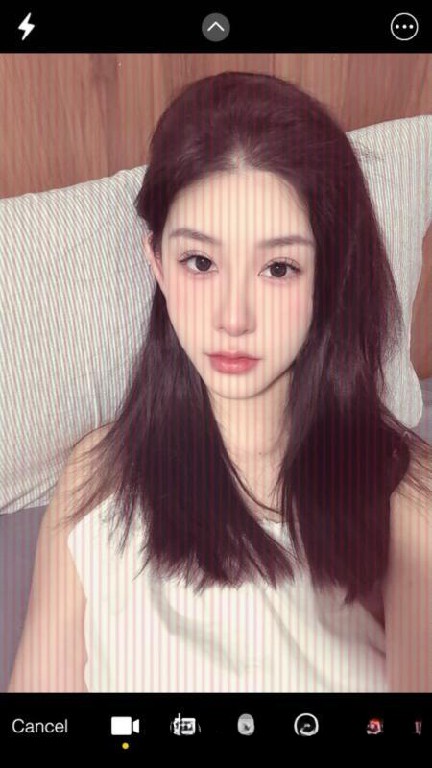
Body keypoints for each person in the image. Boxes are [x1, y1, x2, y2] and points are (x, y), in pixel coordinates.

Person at [8, 71, 432, 693]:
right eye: (200, 262)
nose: (234, 318)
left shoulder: (405, 496)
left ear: (329, 277)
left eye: (278, 268)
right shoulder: (93, 479)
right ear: (157, 264)